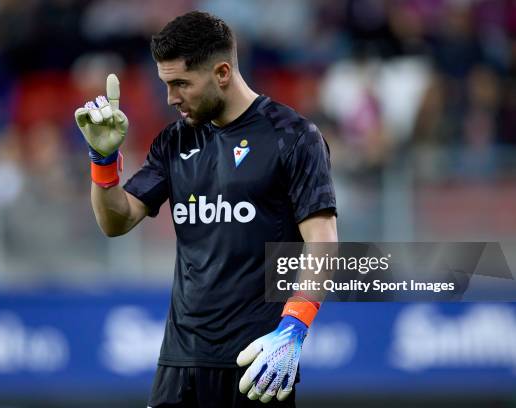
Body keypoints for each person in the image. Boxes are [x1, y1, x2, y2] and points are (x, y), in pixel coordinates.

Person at [75, 11, 337, 408]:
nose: (171, 98)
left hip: (256, 363)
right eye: (166, 84)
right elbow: (117, 220)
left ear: (222, 73)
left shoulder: (294, 137)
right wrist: (103, 158)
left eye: (181, 83)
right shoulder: (174, 142)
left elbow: (323, 242)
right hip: (179, 363)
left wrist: (294, 328)